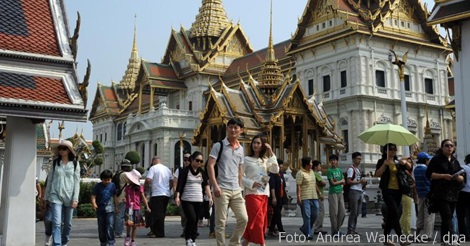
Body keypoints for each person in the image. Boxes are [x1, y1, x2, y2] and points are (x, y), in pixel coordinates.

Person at [206, 117, 248, 246]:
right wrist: (215, 186)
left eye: (236, 127)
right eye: (231, 127)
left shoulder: (241, 148)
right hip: (222, 188)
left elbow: (240, 168)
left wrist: (240, 186)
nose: (233, 130)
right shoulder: (219, 145)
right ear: (227, 128)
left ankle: (234, 243)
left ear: (241, 130)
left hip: (236, 189)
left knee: (243, 219)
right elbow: (210, 165)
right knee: (221, 222)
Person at [241, 134, 279, 246]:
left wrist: (270, 151)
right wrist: (251, 183)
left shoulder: (266, 160)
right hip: (252, 193)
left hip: (263, 193)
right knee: (258, 220)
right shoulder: (246, 159)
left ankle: (246, 241)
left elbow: (275, 169)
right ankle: (262, 243)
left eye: (258, 143)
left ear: (262, 145)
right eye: (254, 142)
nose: (255, 145)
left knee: (260, 220)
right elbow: (240, 176)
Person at [426, 139, 465, 246]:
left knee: (448, 216)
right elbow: (429, 174)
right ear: (442, 147)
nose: (449, 148)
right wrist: (443, 176)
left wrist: (460, 177)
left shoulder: (454, 160)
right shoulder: (436, 160)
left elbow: (461, 173)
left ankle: (444, 239)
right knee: (447, 216)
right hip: (440, 192)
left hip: (452, 192)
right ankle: (452, 238)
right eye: (447, 146)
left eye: (451, 146)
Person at [375, 143, 412, 246]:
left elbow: (409, 168)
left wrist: (405, 162)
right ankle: (401, 237)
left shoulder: (397, 162)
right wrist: (384, 165)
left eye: (394, 149)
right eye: (390, 149)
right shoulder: (382, 161)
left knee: (392, 214)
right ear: (386, 151)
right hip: (387, 190)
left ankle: (386, 238)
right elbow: (377, 174)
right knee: (395, 212)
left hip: (398, 190)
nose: (393, 151)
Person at [45, 140, 80, 246]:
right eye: (60, 148)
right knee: (56, 222)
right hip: (55, 195)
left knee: (68, 224)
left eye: (64, 148)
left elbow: (77, 182)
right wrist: (46, 197)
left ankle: (64, 242)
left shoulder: (75, 164)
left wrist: (75, 198)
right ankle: (57, 243)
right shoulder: (55, 163)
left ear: (69, 151)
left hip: (69, 196)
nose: (61, 150)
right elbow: (50, 180)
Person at [175, 151, 213, 246]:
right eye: (197, 160)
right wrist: (177, 196)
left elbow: (206, 185)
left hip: (198, 199)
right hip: (187, 199)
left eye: (201, 161)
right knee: (191, 218)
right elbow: (180, 184)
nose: (199, 163)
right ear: (192, 160)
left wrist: (210, 197)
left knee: (196, 220)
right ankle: (188, 238)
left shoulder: (201, 172)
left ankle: (193, 239)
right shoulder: (185, 171)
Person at [145, 156, 173, 238]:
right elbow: (171, 181)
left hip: (157, 194)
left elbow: (148, 180)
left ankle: (158, 232)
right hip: (166, 194)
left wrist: (145, 188)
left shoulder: (153, 168)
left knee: (157, 214)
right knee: (162, 213)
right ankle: (156, 231)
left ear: (153, 161)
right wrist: (168, 189)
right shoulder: (167, 169)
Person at [91, 170, 119, 246]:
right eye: (105, 180)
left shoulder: (112, 185)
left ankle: (111, 241)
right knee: (101, 226)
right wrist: (94, 204)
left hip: (110, 208)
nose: (107, 181)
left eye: (108, 180)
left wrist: (116, 207)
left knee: (110, 225)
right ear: (102, 179)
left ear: (111, 179)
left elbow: (115, 196)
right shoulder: (98, 186)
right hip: (100, 208)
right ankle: (103, 242)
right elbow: (93, 196)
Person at [123, 169, 151, 246]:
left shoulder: (139, 188)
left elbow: (143, 198)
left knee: (135, 226)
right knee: (129, 224)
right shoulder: (127, 188)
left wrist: (147, 206)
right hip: (129, 208)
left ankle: (133, 240)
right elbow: (125, 196)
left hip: (137, 208)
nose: (128, 179)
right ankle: (128, 236)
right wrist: (125, 199)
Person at [296, 156, 319, 240]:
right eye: (310, 163)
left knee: (315, 214)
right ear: (306, 164)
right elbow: (298, 186)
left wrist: (318, 192)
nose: (312, 164)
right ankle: (308, 233)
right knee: (307, 216)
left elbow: (314, 183)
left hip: (314, 196)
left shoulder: (312, 172)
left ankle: (304, 228)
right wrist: (298, 197)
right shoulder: (300, 173)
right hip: (305, 197)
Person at [414, 151, 435, 240]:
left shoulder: (415, 169)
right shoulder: (426, 170)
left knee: (420, 215)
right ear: (425, 160)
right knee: (429, 215)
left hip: (420, 194)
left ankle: (417, 233)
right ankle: (427, 235)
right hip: (428, 194)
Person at [346, 152, 367, 235]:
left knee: (357, 212)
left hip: (359, 190)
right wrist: (359, 181)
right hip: (353, 190)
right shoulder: (351, 169)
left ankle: (353, 229)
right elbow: (349, 181)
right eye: (358, 159)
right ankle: (350, 230)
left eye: (360, 159)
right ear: (354, 159)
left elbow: (359, 180)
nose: (359, 161)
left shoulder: (358, 169)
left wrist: (363, 182)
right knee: (353, 211)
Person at [327, 154, 346, 236]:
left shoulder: (339, 170)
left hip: (340, 192)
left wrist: (338, 182)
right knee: (334, 212)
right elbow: (332, 183)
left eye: (334, 160)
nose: (333, 161)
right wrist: (340, 182)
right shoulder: (329, 171)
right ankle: (334, 231)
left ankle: (338, 229)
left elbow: (344, 180)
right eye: (331, 160)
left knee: (342, 212)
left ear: (337, 161)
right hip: (333, 193)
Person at [267, 159, 288, 237]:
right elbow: (272, 186)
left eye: (281, 166)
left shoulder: (281, 174)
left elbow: (283, 185)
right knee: (278, 214)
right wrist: (273, 197)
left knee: (276, 214)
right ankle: (281, 231)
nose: (280, 167)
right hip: (275, 196)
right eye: (279, 166)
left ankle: (271, 229)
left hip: (281, 196)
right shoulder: (272, 175)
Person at [174, 153, 191, 237]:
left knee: (192, 214)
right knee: (183, 214)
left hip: (192, 195)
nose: (187, 161)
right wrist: (175, 193)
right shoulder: (179, 170)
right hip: (181, 195)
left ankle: (191, 229)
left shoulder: (195, 170)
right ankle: (185, 229)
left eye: (188, 159)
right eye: (185, 159)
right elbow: (175, 181)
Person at [114, 159, 133, 238]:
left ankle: (117, 231)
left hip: (117, 197)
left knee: (119, 215)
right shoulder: (124, 174)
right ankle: (119, 232)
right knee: (120, 216)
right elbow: (133, 182)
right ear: (126, 167)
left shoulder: (117, 173)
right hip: (122, 197)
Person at [399, 158, 415, 237]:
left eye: (411, 162)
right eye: (408, 162)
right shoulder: (404, 172)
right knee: (407, 214)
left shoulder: (408, 172)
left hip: (407, 194)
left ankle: (400, 229)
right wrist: (412, 186)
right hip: (406, 193)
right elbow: (405, 185)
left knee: (405, 213)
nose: (410, 164)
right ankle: (407, 232)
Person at [457, 154, 470, 240]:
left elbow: (455, 176)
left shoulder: (463, 167)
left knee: (461, 215)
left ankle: (463, 235)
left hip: (463, 193)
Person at [312, 160, 327, 235]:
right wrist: (320, 193)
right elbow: (323, 183)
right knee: (321, 212)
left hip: (314, 195)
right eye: (319, 166)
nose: (320, 167)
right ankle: (318, 228)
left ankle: (317, 227)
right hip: (318, 195)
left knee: (317, 212)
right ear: (315, 167)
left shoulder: (312, 174)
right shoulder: (316, 174)